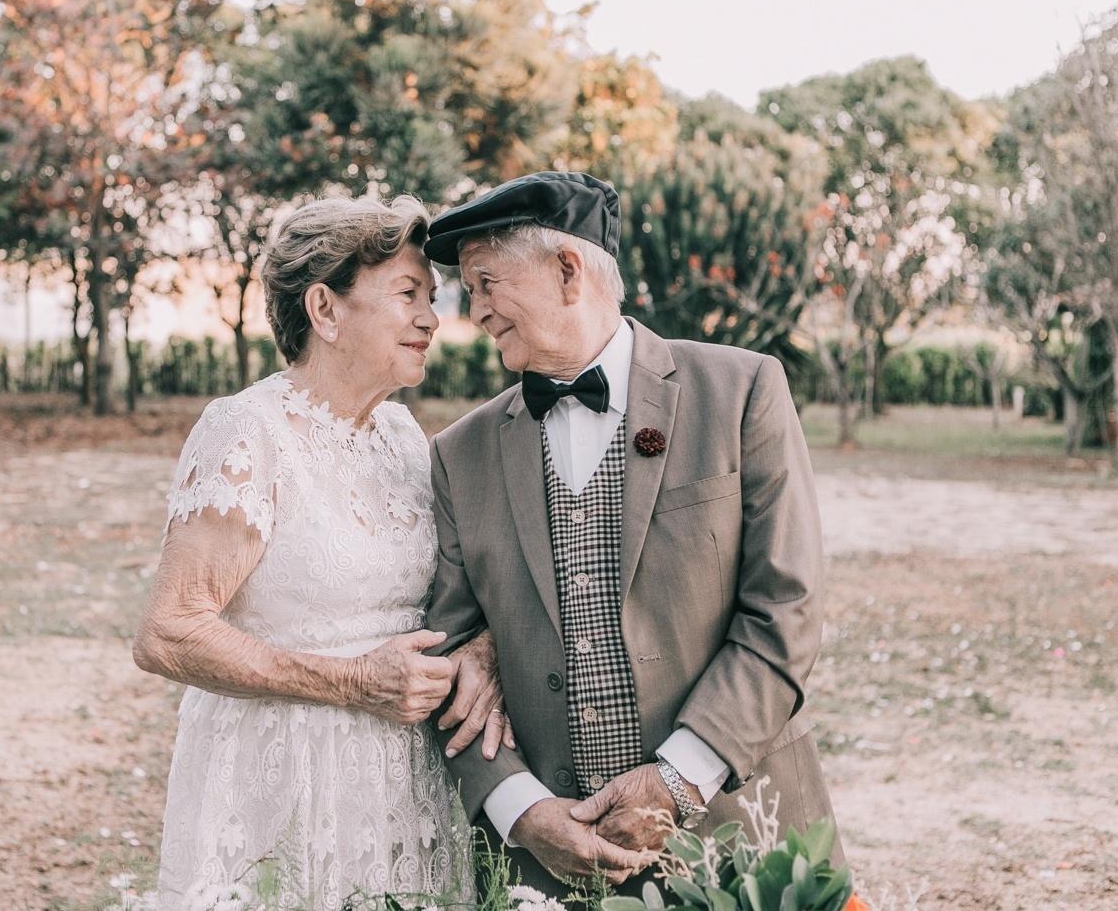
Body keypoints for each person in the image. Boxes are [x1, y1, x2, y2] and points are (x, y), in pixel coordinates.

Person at [422, 171, 843, 895]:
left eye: (487, 282)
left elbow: (786, 610)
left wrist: (679, 779)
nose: (477, 310)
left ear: (567, 269)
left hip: (742, 841)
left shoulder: (742, 392)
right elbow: (450, 658)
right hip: (545, 874)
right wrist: (522, 814)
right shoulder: (458, 455)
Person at [132, 195, 504, 910]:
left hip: (403, 782)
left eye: (434, 297)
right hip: (283, 776)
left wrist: (480, 648)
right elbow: (167, 633)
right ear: (325, 311)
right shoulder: (248, 432)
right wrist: (354, 680)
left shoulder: (400, 436)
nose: (432, 317)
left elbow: (455, 592)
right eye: (407, 294)